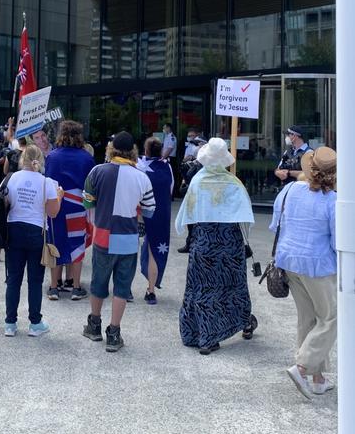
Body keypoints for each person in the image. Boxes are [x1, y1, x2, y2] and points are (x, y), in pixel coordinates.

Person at [175, 138, 258, 355]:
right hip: (230, 243)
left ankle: (201, 335)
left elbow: (187, 214)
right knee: (234, 286)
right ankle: (240, 321)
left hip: (204, 242)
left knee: (201, 288)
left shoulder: (197, 182)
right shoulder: (234, 183)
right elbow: (245, 219)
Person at [271, 147, 337, 399]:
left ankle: (318, 379)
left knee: (307, 319)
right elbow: (336, 241)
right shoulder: (332, 200)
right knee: (330, 318)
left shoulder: (289, 190)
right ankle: (302, 367)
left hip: (289, 260)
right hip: (317, 265)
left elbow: (276, 223)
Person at [82, 132, 156, 352]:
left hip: (103, 235)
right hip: (128, 238)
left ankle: (94, 325)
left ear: (111, 149)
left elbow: (87, 203)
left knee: (98, 282)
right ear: (133, 151)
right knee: (122, 287)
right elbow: (150, 211)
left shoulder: (96, 171)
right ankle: (114, 333)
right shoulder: (142, 176)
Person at [4, 145, 61, 337]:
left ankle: (10, 323)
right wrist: (59, 197)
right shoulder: (47, 182)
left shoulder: (12, 178)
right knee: (35, 280)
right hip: (36, 231)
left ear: (22, 159)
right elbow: (53, 212)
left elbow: (5, 202)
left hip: (13, 229)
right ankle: (35, 322)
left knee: (13, 279)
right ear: (41, 160)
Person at [44, 120, 95, 301]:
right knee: (77, 245)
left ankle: (53, 287)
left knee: (55, 243)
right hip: (77, 206)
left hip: (57, 204)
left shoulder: (52, 156)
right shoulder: (87, 158)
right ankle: (75, 287)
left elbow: (48, 183)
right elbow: (90, 187)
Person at [136, 137, 174, 305]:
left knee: (128, 250)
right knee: (154, 250)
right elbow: (171, 189)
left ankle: (125, 290)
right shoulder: (167, 167)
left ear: (146, 151)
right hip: (160, 213)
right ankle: (151, 290)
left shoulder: (138, 166)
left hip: (140, 212)